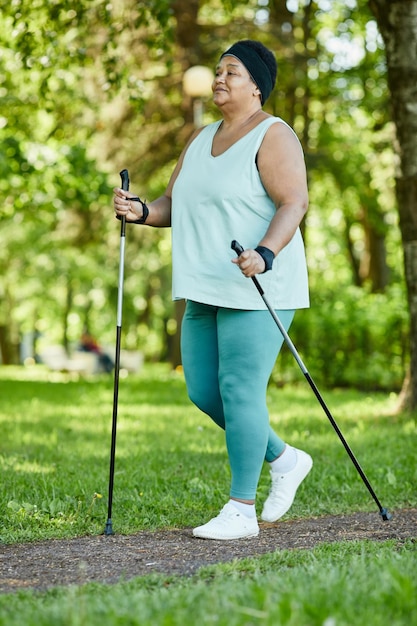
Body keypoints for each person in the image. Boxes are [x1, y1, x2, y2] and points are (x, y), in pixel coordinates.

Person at [113, 39, 312, 540]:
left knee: (240, 389)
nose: (221, 78)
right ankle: (285, 459)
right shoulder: (201, 139)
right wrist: (141, 211)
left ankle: (241, 510)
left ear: (258, 88)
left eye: (234, 72)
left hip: (257, 283)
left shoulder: (273, 135)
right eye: (219, 70)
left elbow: (294, 202)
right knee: (204, 389)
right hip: (204, 286)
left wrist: (265, 252)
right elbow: (174, 202)